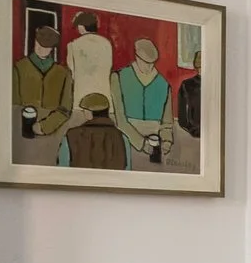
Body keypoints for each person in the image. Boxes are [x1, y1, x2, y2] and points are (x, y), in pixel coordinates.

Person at [10, 23, 85, 165]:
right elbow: (13, 104)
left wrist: (45, 126)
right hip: (21, 133)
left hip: (52, 134)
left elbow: (65, 109)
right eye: (39, 44)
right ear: (34, 42)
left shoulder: (63, 73)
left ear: (52, 49)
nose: (41, 49)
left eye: (46, 47)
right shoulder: (19, 68)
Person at [63, 13, 127, 169]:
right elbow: (109, 67)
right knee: (109, 146)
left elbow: (72, 70)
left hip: (81, 101)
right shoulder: (106, 44)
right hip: (105, 100)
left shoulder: (73, 45)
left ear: (81, 26)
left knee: (79, 145)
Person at [114, 36, 174, 165]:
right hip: (126, 141)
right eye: (145, 63)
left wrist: (167, 140)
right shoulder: (118, 77)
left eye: (152, 63)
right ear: (137, 57)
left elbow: (167, 121)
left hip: (155, 143)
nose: (149, 67)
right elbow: (120, 119)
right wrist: (141, 143)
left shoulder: (163, 84)